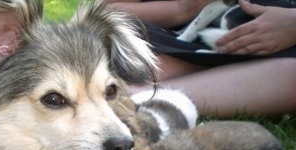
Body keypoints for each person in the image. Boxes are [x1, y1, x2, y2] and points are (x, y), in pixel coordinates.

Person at [111, 0, 296, 118]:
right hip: (178, 35)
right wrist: (184, 8)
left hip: (284, 42)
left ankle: (135, 99)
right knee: (118, 35)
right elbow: (111, 8)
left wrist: (292, 23)